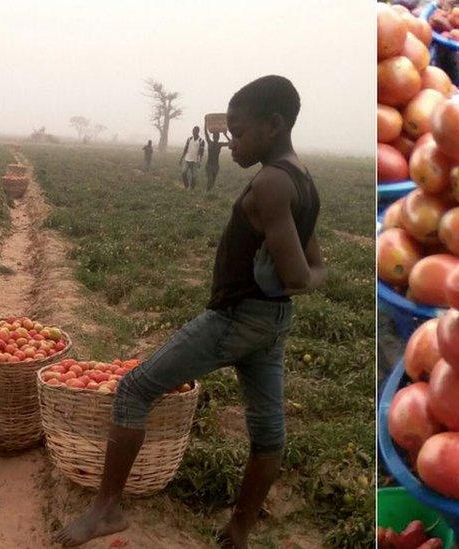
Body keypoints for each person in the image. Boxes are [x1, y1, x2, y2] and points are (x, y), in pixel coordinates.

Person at [53, 74, 325, 549]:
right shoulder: (303, 179)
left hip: (235, 318)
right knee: (267, 431)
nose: (231, 142)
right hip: (273, 325)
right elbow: (318, 269)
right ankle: (238, 532)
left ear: (274, 125)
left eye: (238, 132)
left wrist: (280, 276)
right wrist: (285, 278)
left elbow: (301, 275)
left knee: (134, 390)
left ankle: (105, 511)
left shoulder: (270, 183)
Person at [205, 128, 231, 193]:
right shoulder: (210, 142)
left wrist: (225, 134)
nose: (216, 137)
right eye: (215, 136)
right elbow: (205, 133)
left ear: (219, 137)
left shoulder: (219, 145)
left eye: (217, 136)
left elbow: (230, 142)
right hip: (209, 165)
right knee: (210, 180)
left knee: (213, 181)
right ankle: (207, 192)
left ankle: (208, 192)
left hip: (216, 166)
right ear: (213, 137)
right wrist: (205, 123)